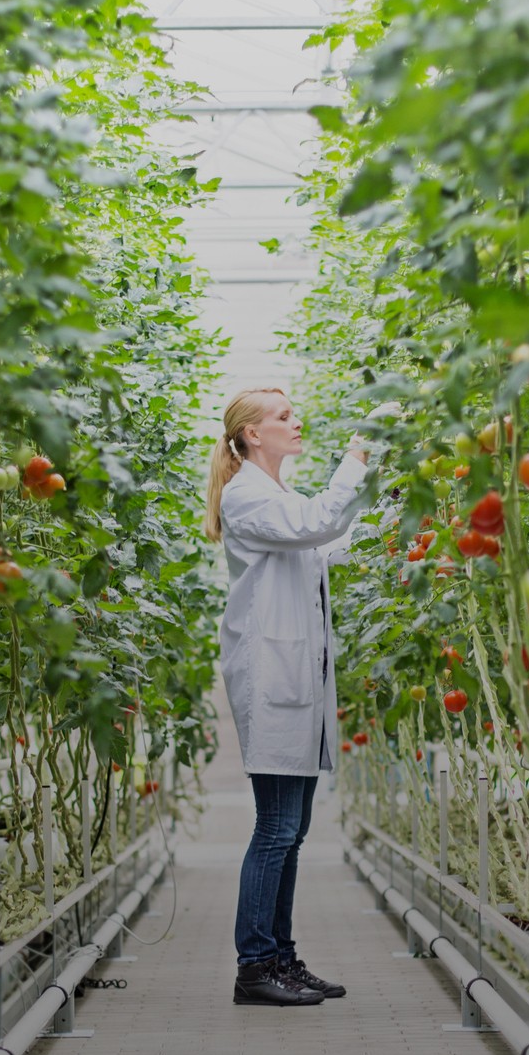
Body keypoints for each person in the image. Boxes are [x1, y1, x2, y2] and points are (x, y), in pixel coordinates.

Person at [205, 387, 377, 1007]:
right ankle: (255, 967)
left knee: (293, 826)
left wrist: (386, 512)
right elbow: (318, 524)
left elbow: (325, 542)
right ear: (252, 434)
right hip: (273, 680)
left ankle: (280, 955)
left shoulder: (277, 496)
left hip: (296, 678)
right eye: (282, 416)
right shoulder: (247, 493)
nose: (295, 422)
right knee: (277, 826)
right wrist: (357, 454)